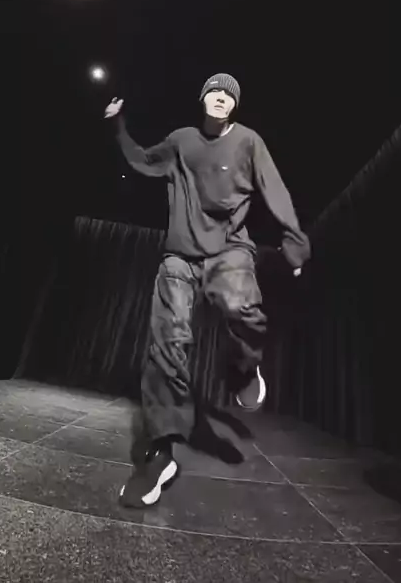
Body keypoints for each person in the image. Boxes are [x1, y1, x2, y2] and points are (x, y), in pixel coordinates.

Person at [104, 73, 310, 508]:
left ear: (235, 105)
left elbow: (274, 188)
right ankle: (160, 454)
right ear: (203, 99)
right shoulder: (181, 140)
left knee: (242, 308)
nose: (220, 98)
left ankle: (243, 369)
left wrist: (294, 240)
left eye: (228, 94)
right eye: (214, 91)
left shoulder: (248, 142)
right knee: (166, 346)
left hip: (229, 250)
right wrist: (119, 126)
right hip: (180, 255)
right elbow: (143, 160)